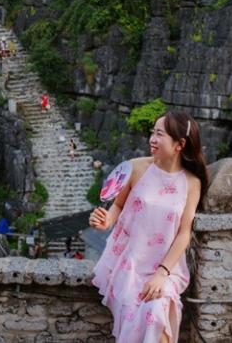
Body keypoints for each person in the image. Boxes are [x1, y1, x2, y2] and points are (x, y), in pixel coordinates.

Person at [88, 111, 208, 343]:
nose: (152, 139)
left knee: (157, 313)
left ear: (179, 144)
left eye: (159, 134)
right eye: (153, 132)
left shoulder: (192, 183)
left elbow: (184, 233)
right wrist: (107, 221)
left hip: (167, 267)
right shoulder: (135, 168)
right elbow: (118, 206)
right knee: (143, 314)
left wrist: (161, 274)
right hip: (130, 264)